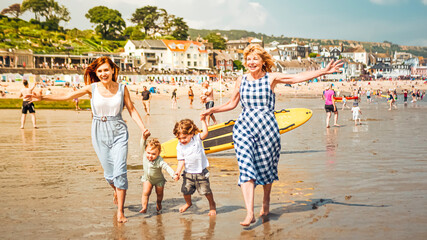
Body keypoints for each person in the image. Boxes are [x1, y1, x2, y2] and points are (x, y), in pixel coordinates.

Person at [200, 44, 343, 226]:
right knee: (246, 168)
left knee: (267, 168)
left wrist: (323, 71)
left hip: (267, 128)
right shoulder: (241, 80)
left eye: (255, 59)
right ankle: (249, 213)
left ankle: (266, 200)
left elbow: (295, 78)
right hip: (244, 127)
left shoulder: (271, 78)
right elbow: (231, 103)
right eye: (248, 59)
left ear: (262, 62)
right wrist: (211, 109)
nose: (251, 62)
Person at [32, 56, 149, 223]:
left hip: (119, 130)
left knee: (120, 171)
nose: (103, 73)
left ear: (113, 70)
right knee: (110, 174)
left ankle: (120, 212)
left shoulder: (122, 88)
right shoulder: (91, 88)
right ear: (96, 72)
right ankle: (115, 189)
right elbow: (67, 96)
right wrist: (43, 98)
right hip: (98, 130)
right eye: (100, 71)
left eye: (106, 70)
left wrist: (143, 128)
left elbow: (131, 109)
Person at [173, 118, 217, 216]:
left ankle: (212, 205)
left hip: (201, 172)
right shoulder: (179, 146)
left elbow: (205, 133)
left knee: (206, 191)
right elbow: (181, 160)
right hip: (188, 173)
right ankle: (188, 203)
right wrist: (178, 172)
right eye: (179, 138)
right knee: (186, 191)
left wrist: (202, 120)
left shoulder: (196, 139)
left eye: (184, 137)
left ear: (191, 133)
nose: (182, 140)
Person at [139, 131, 177, 213]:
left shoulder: (159, 160)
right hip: (147, 179)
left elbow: (166, 167)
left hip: (159, 180)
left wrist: (173, 174)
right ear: (145, 150)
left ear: (158, 153)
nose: (150, 156)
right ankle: (144, 207)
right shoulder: (144, 154)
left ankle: (159, 203)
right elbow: (142, 144)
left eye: (153, 154)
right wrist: (143, 138)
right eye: (148, 153)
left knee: (159, 194)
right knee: (145, 192)